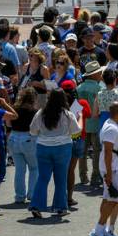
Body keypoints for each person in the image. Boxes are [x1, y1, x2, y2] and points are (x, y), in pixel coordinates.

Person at [30, 88, 81, 218]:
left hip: (43, 147)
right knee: (61, 179)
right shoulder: (67, 114)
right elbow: (76, 131)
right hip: (63, 148)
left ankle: (36, 205)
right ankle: (60, 207)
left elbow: (33, 131)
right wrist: (80, 118)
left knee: (43, 177)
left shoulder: (41, 113)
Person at [89, 102, 118, 236]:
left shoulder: (109, 124)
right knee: (112, 200)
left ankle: (102, 229)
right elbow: (108, 153)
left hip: (114, 167)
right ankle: (98, 231)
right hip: (113, 168)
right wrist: (109, 174)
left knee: (107, 199)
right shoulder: (111, 128)